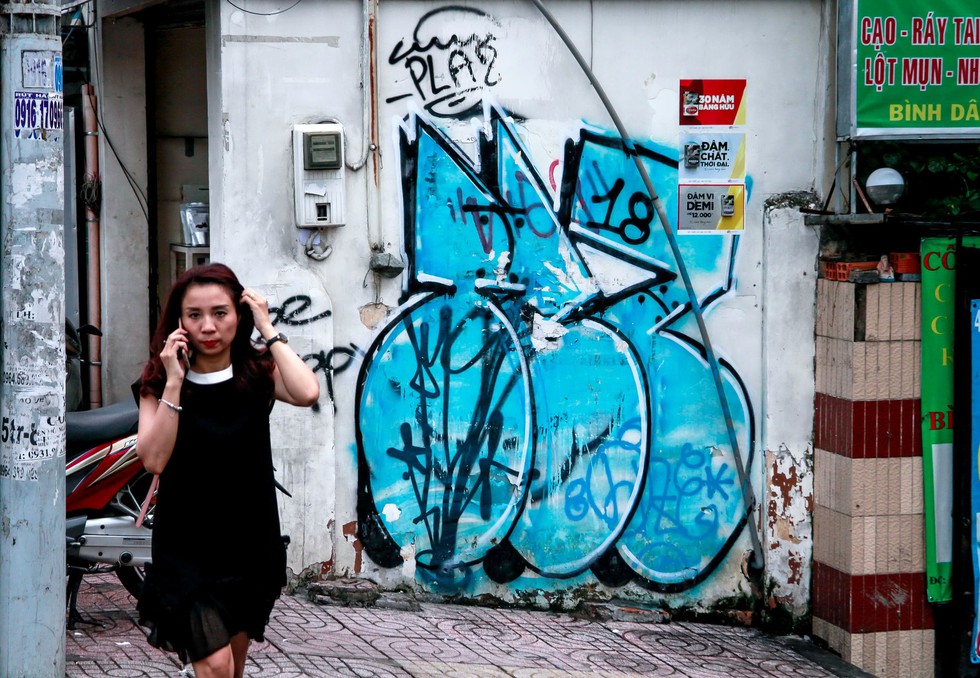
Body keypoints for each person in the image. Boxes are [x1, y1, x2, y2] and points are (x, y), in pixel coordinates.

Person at [134, 263, 319, 678]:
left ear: (239, 314)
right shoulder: (159, 380)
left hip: (250, 542)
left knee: (232, 669)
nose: (208, 326)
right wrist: (175, 381)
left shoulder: (256, 372)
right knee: (217, 666)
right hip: (186, 548)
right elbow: (154, 460)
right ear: (179, 322)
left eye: (220, 313)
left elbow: (308, 391)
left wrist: (267, 328)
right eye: (194, 315)